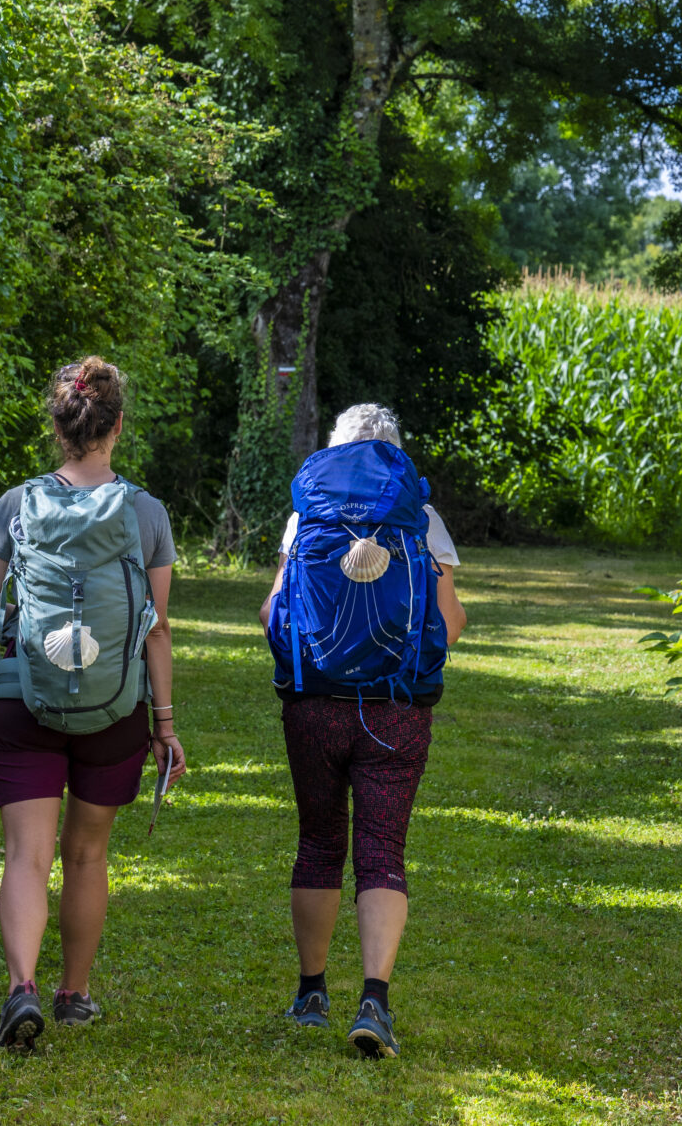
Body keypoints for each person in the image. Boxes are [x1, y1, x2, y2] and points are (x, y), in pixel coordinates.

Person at [0, 356, 185, 1048]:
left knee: (26, 856)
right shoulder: (146, 512)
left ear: (58, 429)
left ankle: (21, 988)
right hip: (115, 709)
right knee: (87, 855)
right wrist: (164, 725)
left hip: (23, 699)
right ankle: (74, 994)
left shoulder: (17, 503)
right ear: (117, 426)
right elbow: (155, 628)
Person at [261, 403, 467, 1059]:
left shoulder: (307, 515)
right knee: (382, 850)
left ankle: (311, 994)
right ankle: (374, 1000)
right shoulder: (420, 516)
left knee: (319, 841)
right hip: (396, 707)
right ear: (394, 454)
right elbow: (449, 621)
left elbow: (272, 610)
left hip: (314, 701)